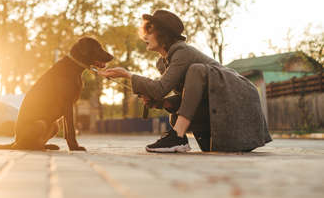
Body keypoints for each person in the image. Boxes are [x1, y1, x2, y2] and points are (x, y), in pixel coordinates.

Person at [98, 10, 271, 153]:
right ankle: (178, 136)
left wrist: (127, 75)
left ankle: (178, 136)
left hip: (239, 97)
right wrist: (163, 102)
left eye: (150, 31)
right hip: (220, 107)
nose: (145, 36)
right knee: (175, 113)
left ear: (163, 34)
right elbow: (188, 97)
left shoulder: (182, 52)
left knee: (196, 70)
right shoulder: (164, 61)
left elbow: (159, 88)